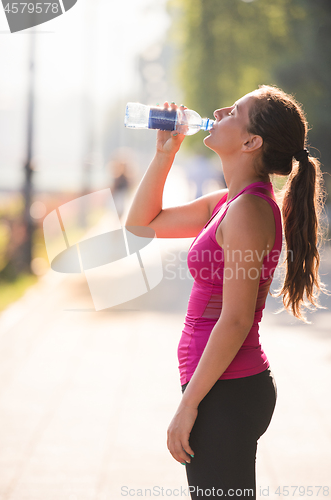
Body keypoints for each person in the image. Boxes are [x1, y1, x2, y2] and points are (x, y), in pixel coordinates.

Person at [125, 85, 326, 499]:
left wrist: (188, 406)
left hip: (226, 391)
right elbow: (142, 225)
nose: (217, 111)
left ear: (252, 142)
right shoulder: (229, 203)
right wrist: (165, 155)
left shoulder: (249, 211)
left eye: (234, 110)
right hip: (217, 387)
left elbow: (233, 320)